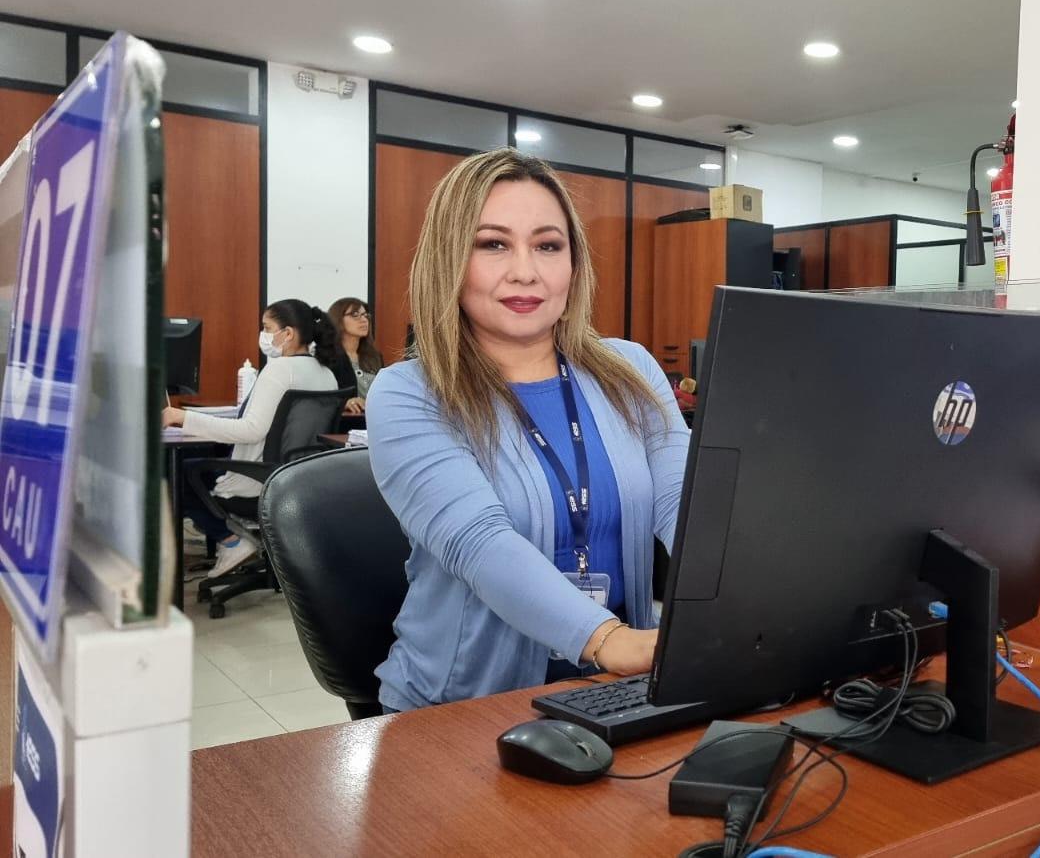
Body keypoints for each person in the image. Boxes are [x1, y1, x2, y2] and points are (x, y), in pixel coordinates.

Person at [366, 148, 687, 713]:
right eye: (493, 244)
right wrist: (611, 641)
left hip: (617, 692)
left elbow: (686, 502)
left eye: (548, 245)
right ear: (449, 260)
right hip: (461, 707)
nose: (525, 271)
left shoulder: (630, 369)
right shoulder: (409, 392)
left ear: (573, 264)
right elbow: (480, 543)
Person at [162, 299, 340, 577]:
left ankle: (231, 541)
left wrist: (182, 417)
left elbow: (251, 430)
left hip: (259, 481)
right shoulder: (326, 373)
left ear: (288, 333)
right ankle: (239, 540)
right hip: (298, 480)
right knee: (196, 464)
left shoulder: (279, 369)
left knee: (173, 471)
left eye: (267, 328)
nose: (263, 335)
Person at [327, 296, 382, 415]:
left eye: (365, 315)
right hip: (347, 420)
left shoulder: (374, 356)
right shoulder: (328, 358)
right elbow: (320, 398)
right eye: (355, 315)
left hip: (375, 418)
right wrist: (344, 403)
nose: (364, 320)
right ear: (337, 319)